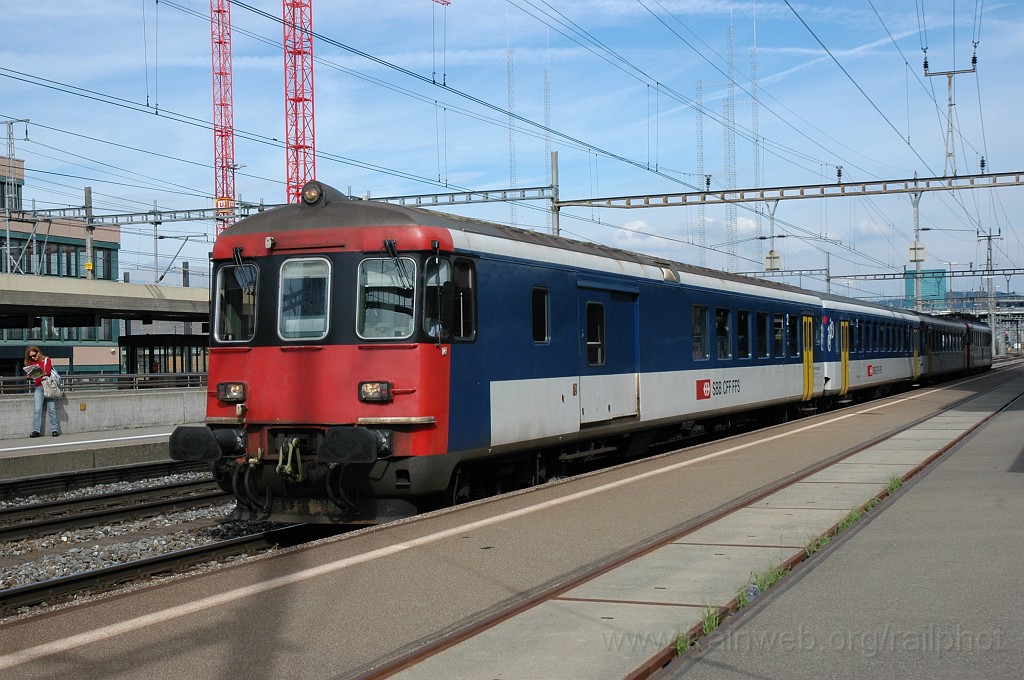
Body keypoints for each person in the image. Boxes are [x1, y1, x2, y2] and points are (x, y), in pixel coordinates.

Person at [24, 346, 59, 438]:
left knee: (52, 409)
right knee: (37, 410)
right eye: (31, 356)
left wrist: (34, 375)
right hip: (38, 387)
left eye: (34, 355)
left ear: (38, 352)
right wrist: (30, 376)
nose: (33, 357)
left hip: (48, 386)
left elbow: (46, 372)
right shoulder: (31, 363)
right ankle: (36, 430)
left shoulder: (46, 359)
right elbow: (37, 374)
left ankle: (54, 429)